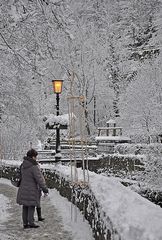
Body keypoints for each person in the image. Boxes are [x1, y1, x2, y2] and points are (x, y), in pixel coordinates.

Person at [16, 149, 49, 229]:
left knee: (25, 206)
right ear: (33, 157)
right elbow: (39, 179)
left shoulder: (23, 165)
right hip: (32, 189)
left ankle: (25, 223)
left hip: (23, 188)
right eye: (35, 157)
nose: (36, 158)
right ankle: (31, 222)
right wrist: (45, 189)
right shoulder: (34, 166)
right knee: (31, 206)